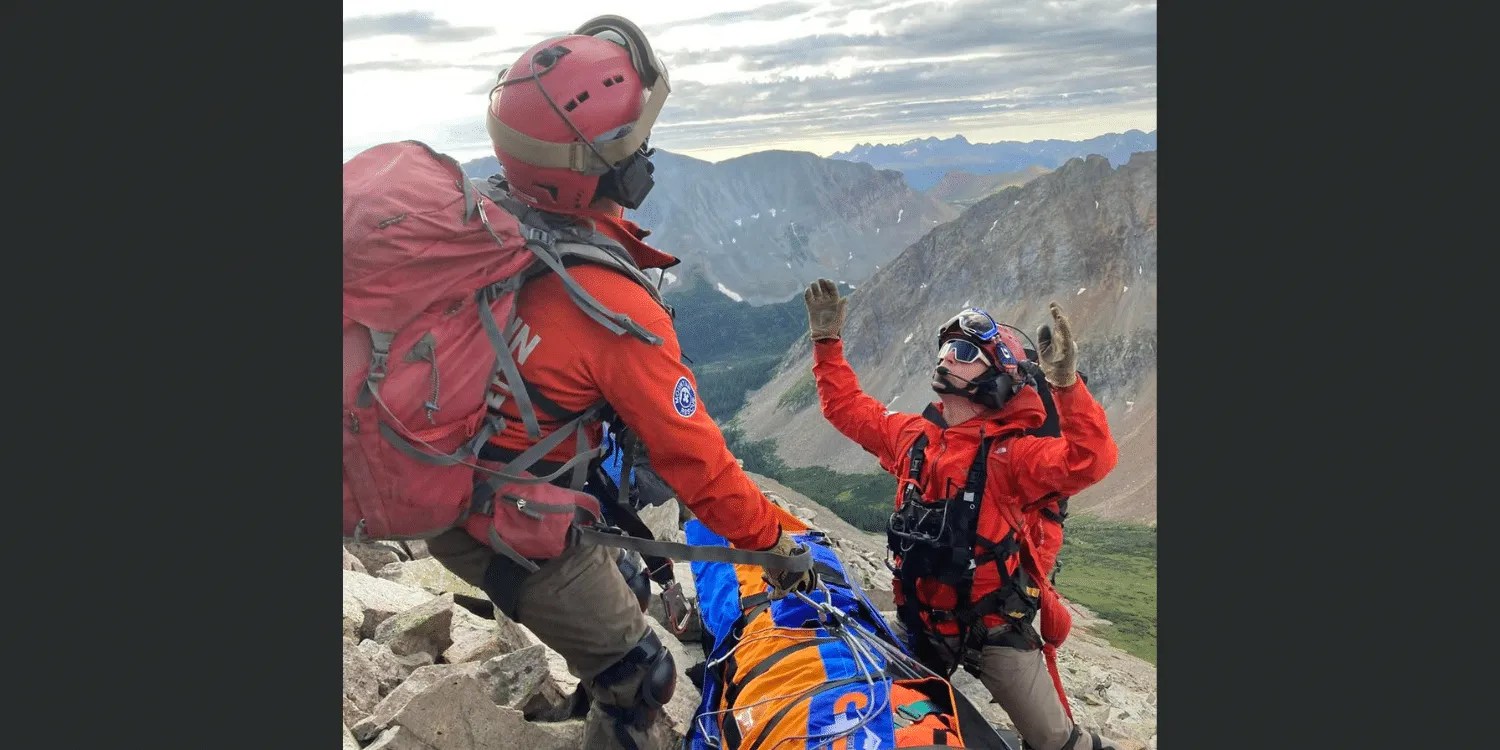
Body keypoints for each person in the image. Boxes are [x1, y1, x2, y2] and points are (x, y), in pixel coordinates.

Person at [421, 16, 814, 750]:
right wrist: (777, 545)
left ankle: (584, 672)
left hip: (446, 465)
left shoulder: (491, 214)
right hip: (488, 515)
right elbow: (697, 466)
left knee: (626, 583)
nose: (648, 155)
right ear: (605, 169)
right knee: (644, 676)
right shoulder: (611, 309)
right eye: (638, 143)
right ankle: (609, 703)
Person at [800, 278, 1124, 750]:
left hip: (992, 631)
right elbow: (845, 407)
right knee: (859, 699)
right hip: (921, 623)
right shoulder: (915, 438)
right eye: (947, 349)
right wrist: (826, 342)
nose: (947, 358)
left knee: (1055, 742)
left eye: (965, 353)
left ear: (995, 378)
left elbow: (1091, 459)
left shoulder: (1013, 457)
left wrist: (1066, 386)